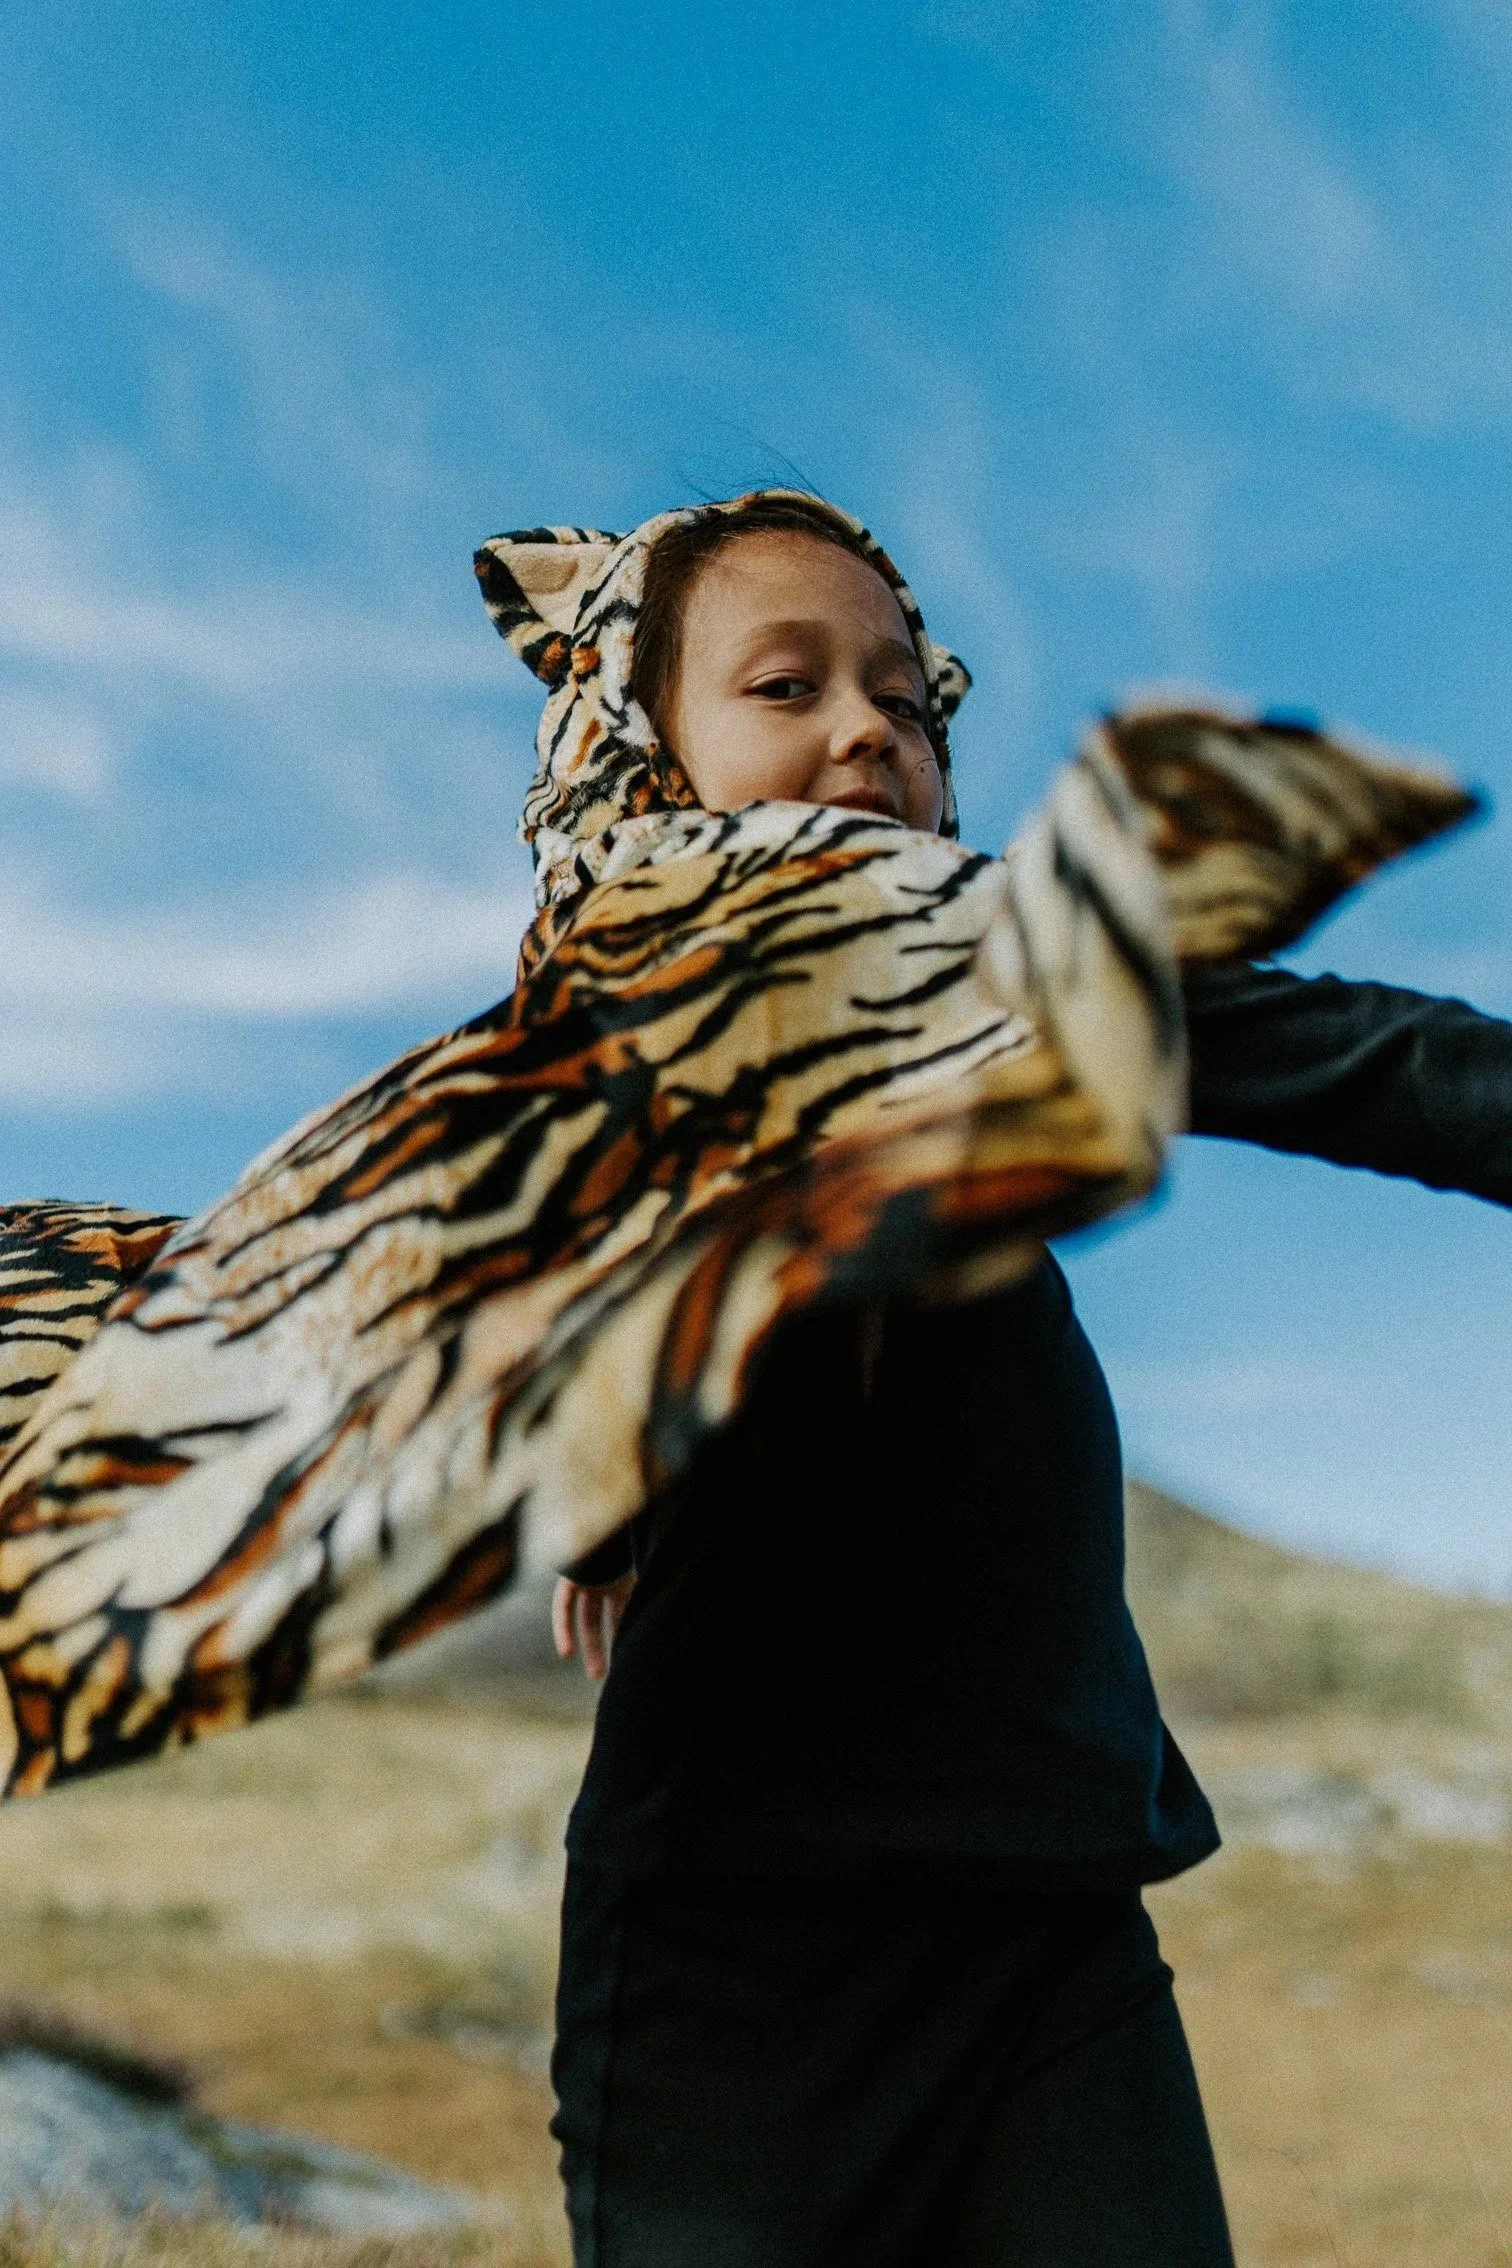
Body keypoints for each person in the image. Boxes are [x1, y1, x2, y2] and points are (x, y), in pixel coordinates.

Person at [539, 497, 1512, 2266]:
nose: (867, 730)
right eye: (786, 685)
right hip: (740, 1984)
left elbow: (1369, 1057)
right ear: (647, 760)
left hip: (1057, 1931)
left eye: (907, 704)